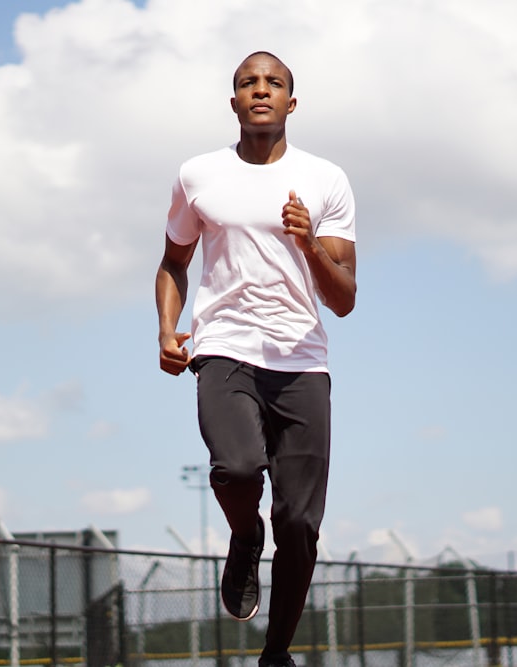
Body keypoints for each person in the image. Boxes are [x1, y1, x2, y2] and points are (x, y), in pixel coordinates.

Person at [155, 50, 357, 667]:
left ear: (292, 103)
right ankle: (245, 536)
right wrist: (168, 327)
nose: (261, 90)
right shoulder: (198, 176)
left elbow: (344, 299)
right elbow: (173, 261)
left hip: (302, 360)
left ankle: (276, 654)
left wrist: (307, 243)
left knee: (299, 524)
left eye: (274, 83)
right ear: (234, 101)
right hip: (224, 350)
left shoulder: (326, 180)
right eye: (248, 82)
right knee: (238, 469)